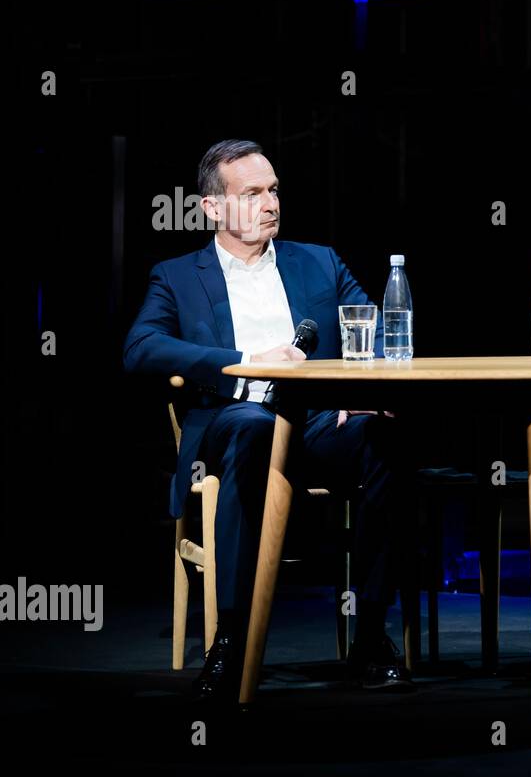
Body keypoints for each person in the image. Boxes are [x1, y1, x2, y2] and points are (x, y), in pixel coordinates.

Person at [124, 139, 418, 700]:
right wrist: (244, 365)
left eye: (274, 190)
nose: (270, 203)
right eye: (253, 193)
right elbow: (140, 346)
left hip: (313, 425)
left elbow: (379, 333)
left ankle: (372, 637)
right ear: (213, 208)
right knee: (254, 427)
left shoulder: (320, 262)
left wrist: (357, 391)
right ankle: (231, 639)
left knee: (386, 440)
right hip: (234, 420)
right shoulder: (179, 275)